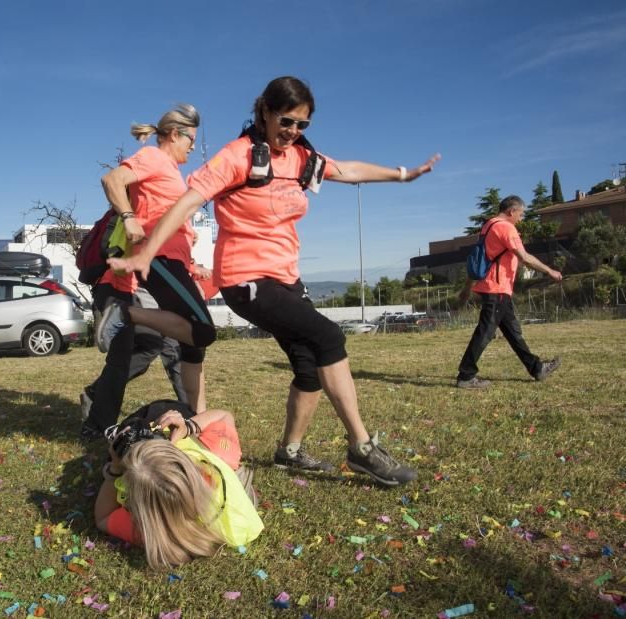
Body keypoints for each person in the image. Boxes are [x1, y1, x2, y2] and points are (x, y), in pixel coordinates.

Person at [109, 76, 438, 487]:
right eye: (286, 121)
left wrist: (403, 174)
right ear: (264, 112)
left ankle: (290, 452)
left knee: (308, 366)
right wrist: (145, 249)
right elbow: (188, 202)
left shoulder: (301, 157)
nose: (293, 132)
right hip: (246, 279)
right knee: (329, 337)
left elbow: (347, 170)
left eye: (302, 125)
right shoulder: (238, 156)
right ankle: (362, 447)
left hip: (285, 277)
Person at [94, 104, 217, 415]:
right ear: (175, 134)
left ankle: (198, 419)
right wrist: (129, 217)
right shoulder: (153, 157)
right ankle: (125, 313)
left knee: (192, 344)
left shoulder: (171, 171)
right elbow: (112, 180)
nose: (193, 147)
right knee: (203, 330)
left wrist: (192, 265)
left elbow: (165, 215)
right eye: (192, 140)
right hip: (159, 258)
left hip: (173, 262)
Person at [94, 402, 262, 569]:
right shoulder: (219, 455)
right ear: (187, 465)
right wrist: (189, 426)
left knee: (133, 426)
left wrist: (115, 468)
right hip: (175, 415)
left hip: (156, 413)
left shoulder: (148, 531)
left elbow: (102, 517)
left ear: (141, 506)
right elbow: (225, 415)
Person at [456, 195, 562, 389]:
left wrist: (467, 287)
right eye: (520, 214)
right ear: (511, 211)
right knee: (485, 332)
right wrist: (550, 271)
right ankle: (466, 375)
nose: (521, 219)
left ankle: (537, 369)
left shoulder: (489, 226)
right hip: (497, 289)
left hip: (497, 288)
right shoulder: (506, 227)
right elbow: (525, 257)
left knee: (513, 332)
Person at [79, 287, 186, 436]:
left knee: (153, 345)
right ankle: (95, 426)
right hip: (120, 295)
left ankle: (97, 390)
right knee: (119, 361)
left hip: (148, 305)